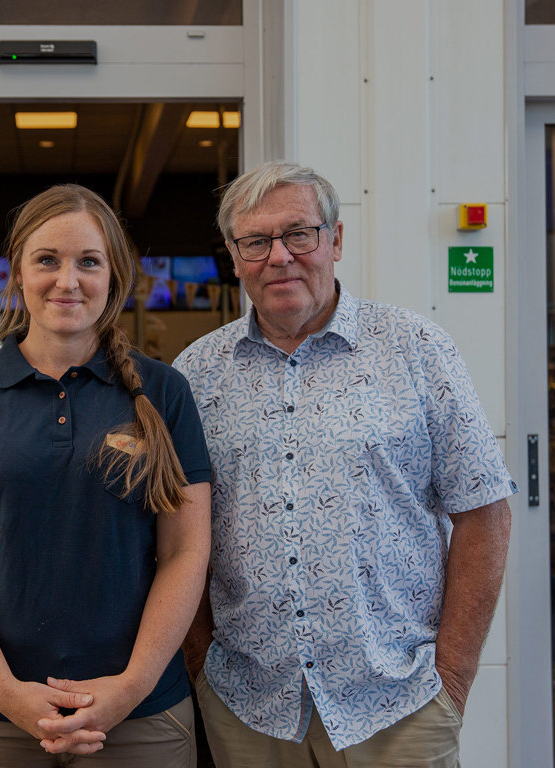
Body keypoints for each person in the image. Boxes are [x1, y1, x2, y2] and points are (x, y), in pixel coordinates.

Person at [172, 161, 518, 767]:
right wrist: (201, 664)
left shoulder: (415, 349)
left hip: (399, 701)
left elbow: (484, 511)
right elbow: (178, 534)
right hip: (249, 706)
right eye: (256, 241)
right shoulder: (196, 374)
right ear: (234, 257)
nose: (280, 256)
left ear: (335, 239)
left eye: (298, 234)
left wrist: (453, 680)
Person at [0, 184, 212, 767]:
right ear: (17, 274)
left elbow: (185, 552)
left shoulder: (165, 392)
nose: (67, 280)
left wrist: (129, 688)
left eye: (89, 262)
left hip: (139, 715)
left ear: (114, 276)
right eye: (47, 260)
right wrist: (7, 694)